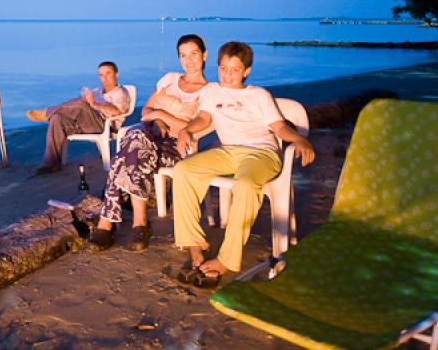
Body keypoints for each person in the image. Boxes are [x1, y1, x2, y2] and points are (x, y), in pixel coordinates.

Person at [173, 41, 315, 287]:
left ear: (246, 71)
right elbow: (203, 118)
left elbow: (280, 128)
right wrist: (186, 129)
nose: (228, 75)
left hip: (261, 154)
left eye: (235, 70)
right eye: (223, 68)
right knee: (183, 170)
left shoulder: (259, 95)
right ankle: (194, 244)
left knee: (246, 183)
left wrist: (300, 138)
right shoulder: (212, 91)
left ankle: (227, 259)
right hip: (228, 152)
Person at [87, 35, 208, 252]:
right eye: (183, 55)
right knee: (135, 137)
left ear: (204, 55)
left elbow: (193, 125)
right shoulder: (170, 79)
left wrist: (160, 113)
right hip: (148, 133)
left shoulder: (209, 91)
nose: (188, 60)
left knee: (130, 146)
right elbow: (145, 112)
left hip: (174, 145)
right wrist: (158, 119)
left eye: (194, 54)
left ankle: (107, 223)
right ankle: (139, 223)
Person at [27, 61, 131, 174]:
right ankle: (51, 163)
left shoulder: (120, 92)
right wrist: (86, 96)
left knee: (82, 103)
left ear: (116, 74)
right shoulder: (98, 91)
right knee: (57, 118)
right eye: (101, 75)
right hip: (85, 123)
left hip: (104, 125)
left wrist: (94, 104)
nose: (104, 78)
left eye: (108, 74)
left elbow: (118, 111)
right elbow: (77, 107)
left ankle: (46, 113)